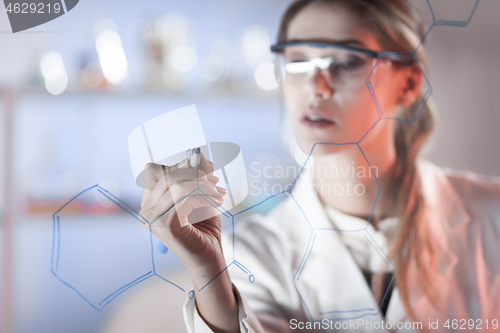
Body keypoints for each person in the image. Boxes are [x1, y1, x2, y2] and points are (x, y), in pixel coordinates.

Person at [138, 0, 500, 332]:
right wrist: (207, 272)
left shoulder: (491, 215)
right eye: (297, 61)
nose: (315, 85)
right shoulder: (247, 255)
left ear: (407, 83)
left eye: (346, 62)